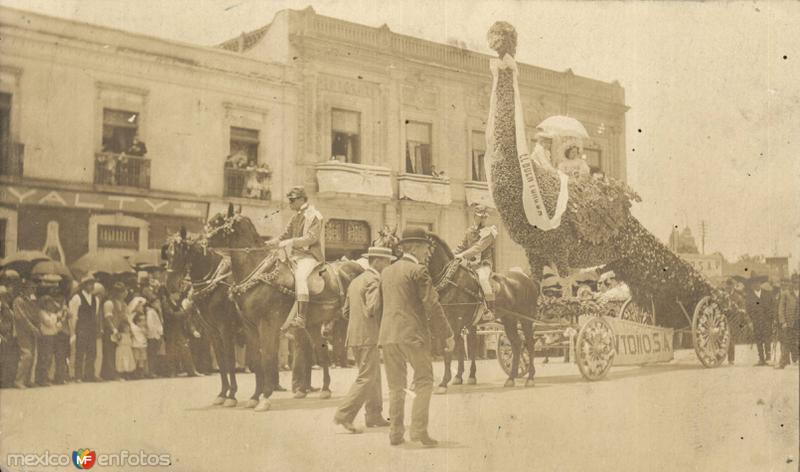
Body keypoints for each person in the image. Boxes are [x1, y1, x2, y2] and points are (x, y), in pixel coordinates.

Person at [378, 227, 454, 447]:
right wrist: (447, 333)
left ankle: (395, 433)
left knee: (396, 386)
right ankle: (419, 431)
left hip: (388, 336)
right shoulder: (418, 270)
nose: (427, 253)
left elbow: (380, 307)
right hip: (413, 335)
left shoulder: (387, 272)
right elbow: (432, 304)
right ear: (415, 247)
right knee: (424, 381)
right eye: (425, 248)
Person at [333, 247, 395, 434]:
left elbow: (345, 312)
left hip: (355, 336)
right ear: (378, 262)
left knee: (372, 376)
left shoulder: (355, 281)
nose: (389, 266)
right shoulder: (375, 280)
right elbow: (372, 308)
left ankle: (374, 415)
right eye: (388, 262)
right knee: (367, 377)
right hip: (369, 335)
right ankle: (344, 414)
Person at [265, 186, 324, 333]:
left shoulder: (315, 215)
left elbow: (311, 238)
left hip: (309, 256)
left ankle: (301, 317)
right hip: (294, 256)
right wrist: (272, 242)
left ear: (301, 199)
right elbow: (285, 235)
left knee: (300, 277)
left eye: (292, 200)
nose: (290, 203)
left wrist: (290, 242)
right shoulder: (295, 216)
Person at [454, 203, 498, 314]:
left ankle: (490, 309)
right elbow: (462, 246)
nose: (482, 220)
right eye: (480, 217)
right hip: (470, 265)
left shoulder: (490, 232)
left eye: (484, 217)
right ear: (474, 216)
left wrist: (462, 255)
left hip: (484, 264)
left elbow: (478, 248)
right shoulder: (469, 231)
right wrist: (451, 254)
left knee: (483, 279)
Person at [69, 275, 102, 382]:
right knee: (80, 352)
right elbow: (73, 315)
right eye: (89, 284)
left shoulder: (95, 299)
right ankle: (78, 375)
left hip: (91, 329)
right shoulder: (77, 298)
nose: (91, 286)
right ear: (83, 285)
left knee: (92, 352)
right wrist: (73, 331)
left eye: (92, 284)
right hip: (81, 328)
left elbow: (95, 314)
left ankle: (89, 375)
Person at [13, 279, 41, 389]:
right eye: (31, 288)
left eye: (34, 288)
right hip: (22, 331)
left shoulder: (31, 300)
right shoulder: (18, 301)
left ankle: (28, 379)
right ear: (25, 288)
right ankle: (18, 380)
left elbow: (35, 314)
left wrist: (37, 326)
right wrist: (32, 327)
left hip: (31, 331)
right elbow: (21, 317)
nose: (34, 290)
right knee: (27, 355)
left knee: (33, 354)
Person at [101, 282, 129, 380]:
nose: (125, 293)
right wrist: (113, 329)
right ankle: (111, 374)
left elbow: (123, 317)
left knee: (117, 352)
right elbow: (107, 318)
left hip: (119, 330)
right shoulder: (109, 303)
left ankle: (118, 372)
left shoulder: (123, 304)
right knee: (109, 352)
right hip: (110, 330)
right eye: (122, 291)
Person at [746, 275, 774, 366]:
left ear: (760, 283)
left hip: (767, 321)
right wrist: (751, 320)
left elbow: (771, 306)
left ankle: (768, 357)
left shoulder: (767, 293)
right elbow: (748, 309)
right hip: (756, 321)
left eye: (757, 282)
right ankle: (761, 358)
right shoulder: (749, 296)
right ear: (751, 284)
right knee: (758, 339)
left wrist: (771, 318)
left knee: (767, 338)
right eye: (754, 282)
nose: (756, 284)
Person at [35, 293, 61, 386]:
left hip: (52, 336)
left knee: (49, 358)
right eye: (48, 303)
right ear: (44, 304)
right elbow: (49, 323)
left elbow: (57, 327)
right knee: (44, 357)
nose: (51, 305)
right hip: (44, 337)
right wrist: (56, 316)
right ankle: (40, 378)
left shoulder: (51, 313)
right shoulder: (41, 312)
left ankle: (45, 377)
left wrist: (58, 318)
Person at [0, 275, 20, 387]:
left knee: (7, 357)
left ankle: (6, 380)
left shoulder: (8, 304)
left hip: (9, 333)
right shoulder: (2, 306)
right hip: (2, 334)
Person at [776, 274, 799, 369]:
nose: (796, 284)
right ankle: (783, 362)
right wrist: (783, 322)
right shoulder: (786, 293)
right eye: (794, 282)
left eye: (798, 282)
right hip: (790, 322)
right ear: (791, 283)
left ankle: (797, 359)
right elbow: (781, 309)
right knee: (786, 342)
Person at [142, 287, 163, 377]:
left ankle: (153, 371)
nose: (159, 304)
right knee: (152, 354)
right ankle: (151, 372)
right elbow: (151, 325)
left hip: (157, 335)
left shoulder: (156, 311)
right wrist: (156, 334)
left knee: (154, 354)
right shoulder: (151, 312)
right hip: (153, 336)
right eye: (157, 302)